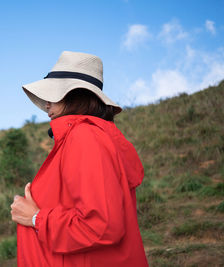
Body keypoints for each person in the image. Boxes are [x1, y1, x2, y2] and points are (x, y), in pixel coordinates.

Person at [10, 51, 149, 266]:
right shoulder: (82, 137)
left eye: (53, 95)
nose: (47, 104)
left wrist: (36, 218)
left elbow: (102, 225)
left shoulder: (85, 137)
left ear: (76, 95)